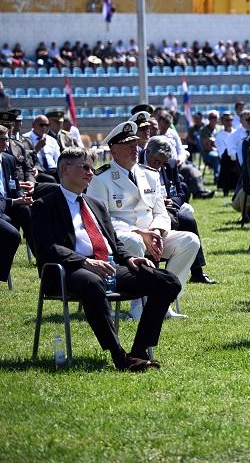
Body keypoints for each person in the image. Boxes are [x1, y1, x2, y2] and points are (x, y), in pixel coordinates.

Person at [31, 146, 181, 372]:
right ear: (64, 169)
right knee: (92, 282)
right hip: (68, 270)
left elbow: (113, 242)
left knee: (167, 281)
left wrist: (130, 258)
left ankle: (139, 350)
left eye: (91, 168)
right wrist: (84, 262)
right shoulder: (45, 205)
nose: (90, 173)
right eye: (84, 168)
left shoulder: (96, 204)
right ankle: (118, 355)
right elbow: (46, 248)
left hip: (108, 266)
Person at [86, 121, 200, 320]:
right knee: (134, 242)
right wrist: (141, 234)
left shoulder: (149, 174)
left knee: (190, 241)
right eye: (128, 146)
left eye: (135, 145)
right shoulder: (101, 178)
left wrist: (156, 231)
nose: (135, 150)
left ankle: (163, 301)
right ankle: (138, 307)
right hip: (122, 239)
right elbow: (102, 220)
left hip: (153, 235)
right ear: (113, 151)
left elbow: (160, 211)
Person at [143, 136, 216, 284]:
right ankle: (155, 272)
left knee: (188, 221)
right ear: (148, 152)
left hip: (167, 209)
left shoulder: (169, 164)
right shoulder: (135, 164)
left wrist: (173, 202)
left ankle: (197, 271)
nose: (158, 166)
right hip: (146, 210)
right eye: (156, 162)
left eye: (162, 163)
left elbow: (181, 190)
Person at [0, 124, 29, 283]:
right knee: (11, 234)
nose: (6, 143)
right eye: (2, 139)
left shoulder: (8, 159)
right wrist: (14, 201)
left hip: (8, 204)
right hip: (3, 205)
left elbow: (15, 185)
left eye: (7, 139)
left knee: (28, 212)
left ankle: (42, 257)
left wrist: (21, 199)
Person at [27, 115, 60, 182]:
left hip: (53, 170)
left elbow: (58, 159)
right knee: (51, 180)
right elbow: (25, 158)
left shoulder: (52, 140)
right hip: (37, 170)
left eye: (47, 125)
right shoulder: (26, 139)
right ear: (33, 125)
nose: (44, 127)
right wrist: (36, 149)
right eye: (41, 125)